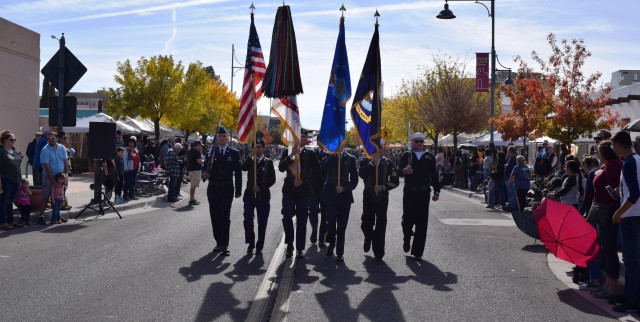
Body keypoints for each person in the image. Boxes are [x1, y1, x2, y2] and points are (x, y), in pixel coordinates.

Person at [583, 142, 623, 299]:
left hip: (607, 213)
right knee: (607, 249)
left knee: (609, 250)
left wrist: (612, 205)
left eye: (598, 151)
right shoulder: (611, 165)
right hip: (606, 212)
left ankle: (611, 287)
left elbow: (617, 191)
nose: (596, 154)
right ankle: (608, 284)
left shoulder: (613, 166)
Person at [278, 128, 321, 258]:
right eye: (298, 136)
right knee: (287, 217)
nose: (301, 139)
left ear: (306, 139)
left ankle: (300, 248)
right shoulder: (288, 152)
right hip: (289, 191)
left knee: (302, 220)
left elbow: (318, 173)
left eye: (303, 137)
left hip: (304, 192)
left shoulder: (311, 154)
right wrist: (291, 156)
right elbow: (280, 168)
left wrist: (304, 181)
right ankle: (289, 244)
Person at [398, 132, 440, 261]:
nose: (419, 144)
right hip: (410, 192)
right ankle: (406, 239)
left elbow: (434, 175)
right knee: (407, 220)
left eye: (421, 141)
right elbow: (397, 171)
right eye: (416, 141)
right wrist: (405, 171)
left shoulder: (429, 157)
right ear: (412, 142)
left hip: (424, 193)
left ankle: (418, 251)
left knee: (422, 223)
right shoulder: (406, 155)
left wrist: (437, 191)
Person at [611, 131, 640, 312]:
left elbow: (636, 193)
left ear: (620, 144)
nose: (613, 149)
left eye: (614, 145)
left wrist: (618, 213)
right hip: (636, 213)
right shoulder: (637, 160)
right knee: (634, 259)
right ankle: (632, 297)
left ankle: (632, 299)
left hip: (631, 215)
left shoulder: (629, 163)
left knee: (630, 260)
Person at [202, 126, 242, 256]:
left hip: (226, 189)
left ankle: (224, 244)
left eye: (224, 136)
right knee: (215, 217)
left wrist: (238, 190)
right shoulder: (210, 152)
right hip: (213, 189)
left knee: (225, 217)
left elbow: (238, 173)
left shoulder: (234, 153)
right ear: (217, 138)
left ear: (228, 138)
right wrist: (204, 174)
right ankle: (218, 242)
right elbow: (205, 167)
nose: (222, 138)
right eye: (220, 136)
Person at [359, 141, 399, 261]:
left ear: (382, 148)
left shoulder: (388, 163)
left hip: (382, 197)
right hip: (368, 196)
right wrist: (371, 163)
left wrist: (383, 187)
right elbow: (362, 174)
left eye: (380, 147)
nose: (378, 149)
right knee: (366, 222)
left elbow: (395, 181)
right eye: (375, 147)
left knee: (381, 224)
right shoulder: (365, 160)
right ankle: (368, 237)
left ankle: (379, 252)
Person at [321, 145, 358, 262]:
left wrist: (345, 188)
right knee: (331, 224)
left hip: (344, 197)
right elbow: (324, 169)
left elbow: (354, 180)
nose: (339, 145)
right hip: (330, 196)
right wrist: (333, 155)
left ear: (344, 143)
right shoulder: (329, 156)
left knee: (342, 226)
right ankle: (331, 244)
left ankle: (340, 252)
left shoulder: (351, 158)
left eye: (341, 142)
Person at [241, 139, 276, 255]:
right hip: (250, 195)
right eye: (255, 147)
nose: (258, 149)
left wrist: (261, 187)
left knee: (262, 222)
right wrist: (250, 155)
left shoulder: (268, 162)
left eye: (260, 147)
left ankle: (259, 245)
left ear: (264, 148)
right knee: (248, 219)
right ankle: (251, 242)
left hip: (263, 196)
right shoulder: (250, 160)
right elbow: (243, 168)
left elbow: (272, 180)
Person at [39, 131, 68, 225]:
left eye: (53, 138)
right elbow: (46, 167)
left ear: (57, 139)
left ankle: (56, 216)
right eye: (49, 138)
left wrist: (65, 177)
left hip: (60, 177)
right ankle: (41, 216)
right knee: (46, 196)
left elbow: (65, 162)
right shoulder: (45, 150)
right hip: (48, 176)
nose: (51, 140)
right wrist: (53, 181)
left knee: (58, 197)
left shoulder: (62, 148)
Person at [0, 131, 24, 229]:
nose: (13, 141)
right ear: (4, 140)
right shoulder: (1, 152)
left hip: (16, 179)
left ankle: (11, 221)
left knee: (10, 201)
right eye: (11, 139)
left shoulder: (13, 151)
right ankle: (2, 222)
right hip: (6, 179)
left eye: (14, 139)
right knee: (4, 201)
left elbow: (16, 164)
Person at [57, 131, 72, 211]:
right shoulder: (59, 147)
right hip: (62, 171)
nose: (66, 139)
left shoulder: (65, 147)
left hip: (66, 170)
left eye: (66, 137)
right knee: (61, 188)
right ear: (59, 139)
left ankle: (63, 203)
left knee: (64, 187)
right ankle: (60, 205)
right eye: (64, 138)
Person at [186, 141, 204, 206]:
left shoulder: (190, 151)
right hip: (195, 170)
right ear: (197, 145)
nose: (201, 147)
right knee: (193, 186)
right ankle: (191, 200)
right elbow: (199, 161)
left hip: (190, 170)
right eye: (200, 145)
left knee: (193, 186)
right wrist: (204, 161)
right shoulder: (197, 151)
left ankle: (192, 199)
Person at [503, 146, 518, 211]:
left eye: (508, 151)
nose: (507, 152)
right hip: (508, 177)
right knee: (510, 193)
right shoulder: (511, 158)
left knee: (511, 192)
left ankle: (512, 206)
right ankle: (510, 205)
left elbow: (512, 169)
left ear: (510, 151)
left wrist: (511, 179)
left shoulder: (513, 158)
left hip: (510, 177)